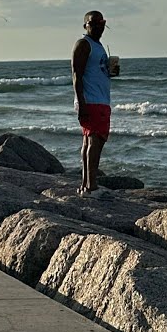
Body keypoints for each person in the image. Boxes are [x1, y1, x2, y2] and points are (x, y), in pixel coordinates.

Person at [71, 11, 112, 196]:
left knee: (90, 141)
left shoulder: (98, 46)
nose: (98, 26)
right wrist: (81, 102)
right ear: (85, 25)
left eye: (101, 23)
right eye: (93, 23)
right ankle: (91, 186)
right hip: (92, 100)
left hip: (99, 99)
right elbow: (76, 75)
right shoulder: (83, 44)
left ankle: (87, 185)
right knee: (95, 141)